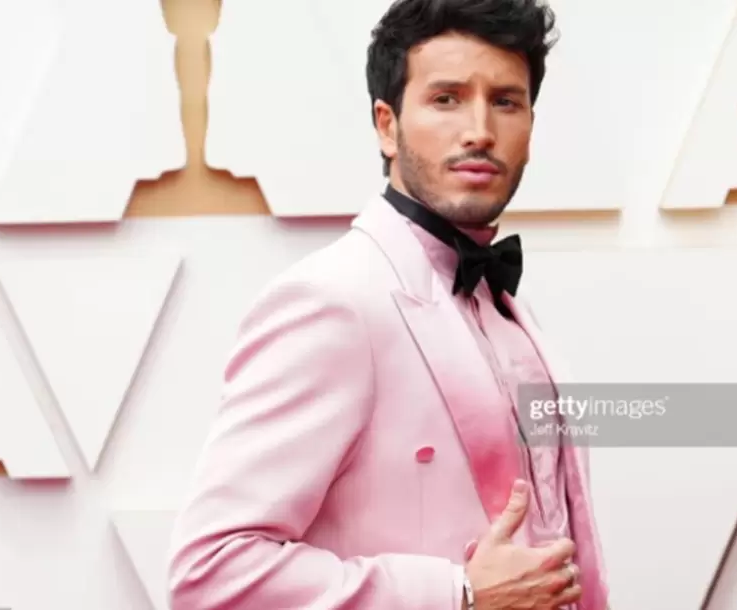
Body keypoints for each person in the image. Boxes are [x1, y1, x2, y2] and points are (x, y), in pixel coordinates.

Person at [167, 1, 609, 608]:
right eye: (446, 99)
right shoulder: (331, 301)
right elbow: (210, 572)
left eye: (506, 101)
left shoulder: (508, 305)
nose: (480, 130)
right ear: (386, 124)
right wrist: (457, 595)